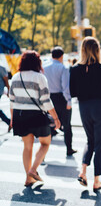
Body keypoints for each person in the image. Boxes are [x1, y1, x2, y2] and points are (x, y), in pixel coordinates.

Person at [9, 50, 61, 187]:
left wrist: (12, 119)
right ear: (37, 62)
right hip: (36, 115)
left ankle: (28, 178)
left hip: (20, 115)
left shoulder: (15, 77)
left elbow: (12, 101)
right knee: (45, 143)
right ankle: (33, 170)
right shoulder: (39, 77)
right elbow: (46, 100)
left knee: (27, 147)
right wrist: (56, 118)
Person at [70, 37, 101, 192]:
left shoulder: (74, 69)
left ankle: (83, 171)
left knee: (90, 140)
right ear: (97, 50)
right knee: (100, 143)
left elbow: (73, 92)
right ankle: (97, 180)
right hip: (100, 106)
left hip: (84, 107)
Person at [43, 46, 76, 156]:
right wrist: (69, 101)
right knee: (66, 125)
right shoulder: (63, 68)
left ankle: (42, 153)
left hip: (47, 98)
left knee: (48, 125)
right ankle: (69, 148)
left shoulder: (44, 67)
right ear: (61, 56)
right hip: (61, 98)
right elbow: (65, 86)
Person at [0, 65, 11, 132]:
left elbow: (6, 80)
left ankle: (9, 122)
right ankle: (8, 122)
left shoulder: (1, 68)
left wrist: (8, 91)